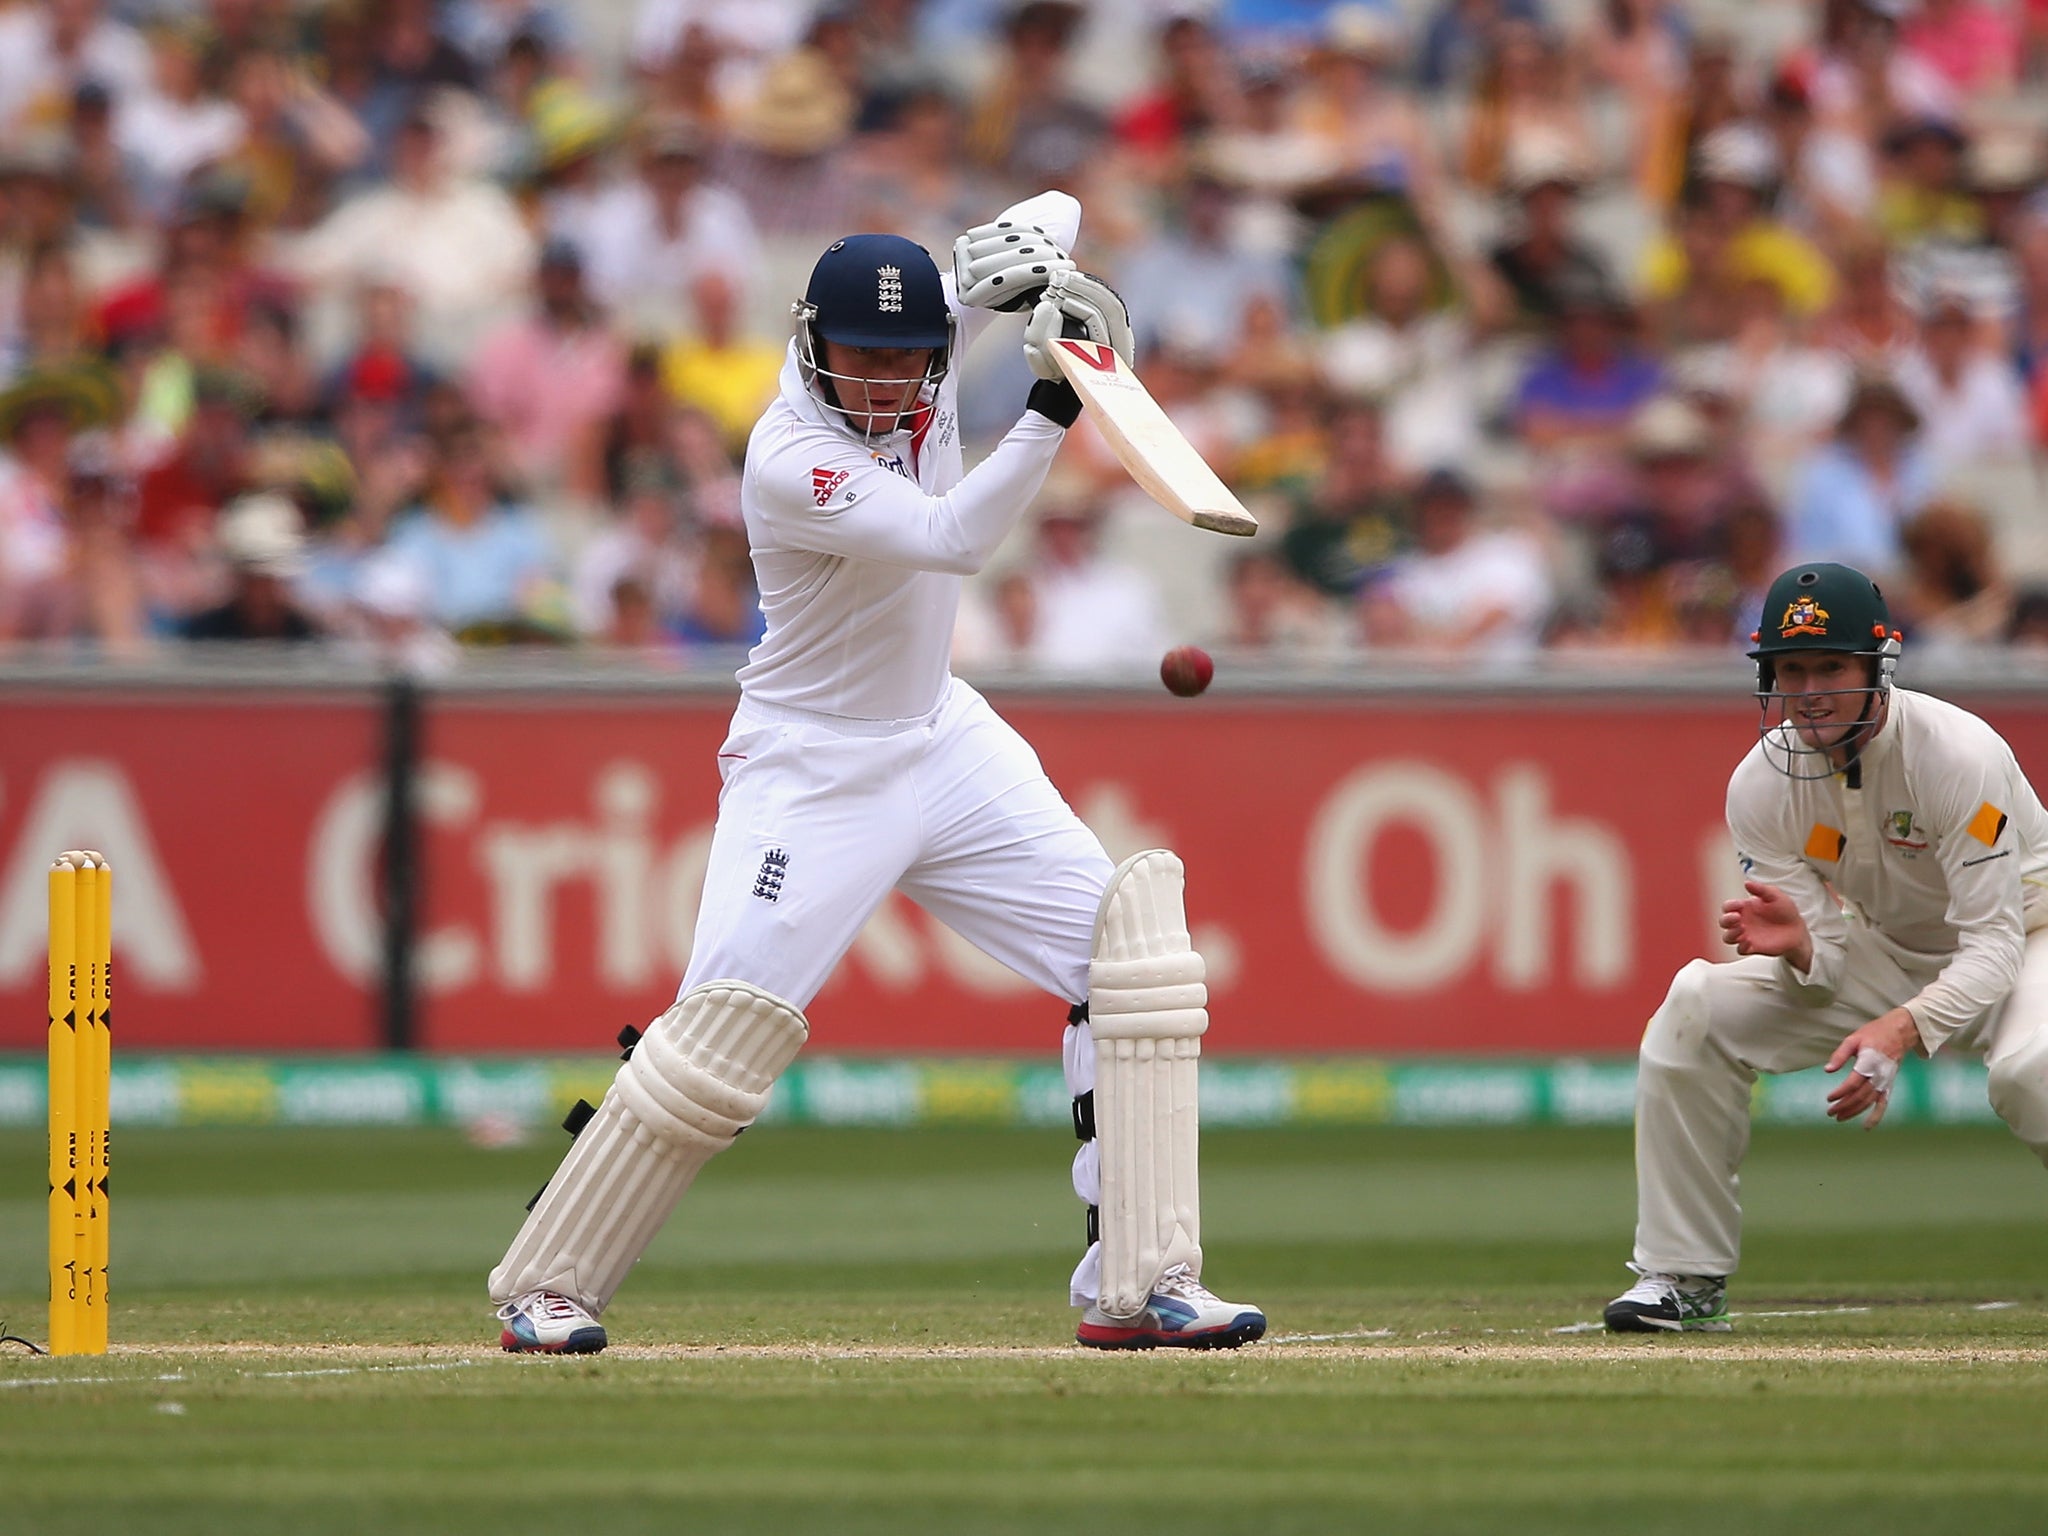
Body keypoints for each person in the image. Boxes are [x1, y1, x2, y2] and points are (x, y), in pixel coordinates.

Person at [487, 194, 1267, 1356]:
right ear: (809, 341)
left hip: (940, 737)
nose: (889, 383)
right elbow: (951, 537)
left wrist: (1045, 261)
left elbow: (1049, 208)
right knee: (718, 1037)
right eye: (861, 356)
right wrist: (1057, 398)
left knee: (1132, 958)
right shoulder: (787, 455)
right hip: (810, 767)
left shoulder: (931, 345)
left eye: (911, 361)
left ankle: (1143, 1281)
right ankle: (547, 1283)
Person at [1605, 562, 2048, 1332]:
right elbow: (1830, 976)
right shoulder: (1761, 786)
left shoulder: (1958, 755)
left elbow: (1995, 944)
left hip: (2030, 940)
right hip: (1896, 953)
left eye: (1830, 667)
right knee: (1698, 1005)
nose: (1808, 690)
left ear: (1880, 665)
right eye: (1791, 669)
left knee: (2028, 1071)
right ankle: (1681, 1276)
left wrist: (1900, 1028)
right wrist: (1806, 948)